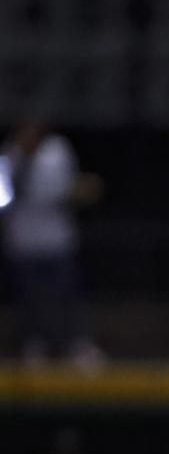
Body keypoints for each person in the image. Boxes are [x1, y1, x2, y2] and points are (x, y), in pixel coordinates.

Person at [2, 116, 99, 366]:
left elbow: (70, 189)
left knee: (67, 295)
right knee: (30, 300)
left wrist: (76, 192)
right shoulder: (10, 156)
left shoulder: (57, 151)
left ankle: (78, 345)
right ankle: (35, 347)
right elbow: (3, 199)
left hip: (57, 241)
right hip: (24, 242)